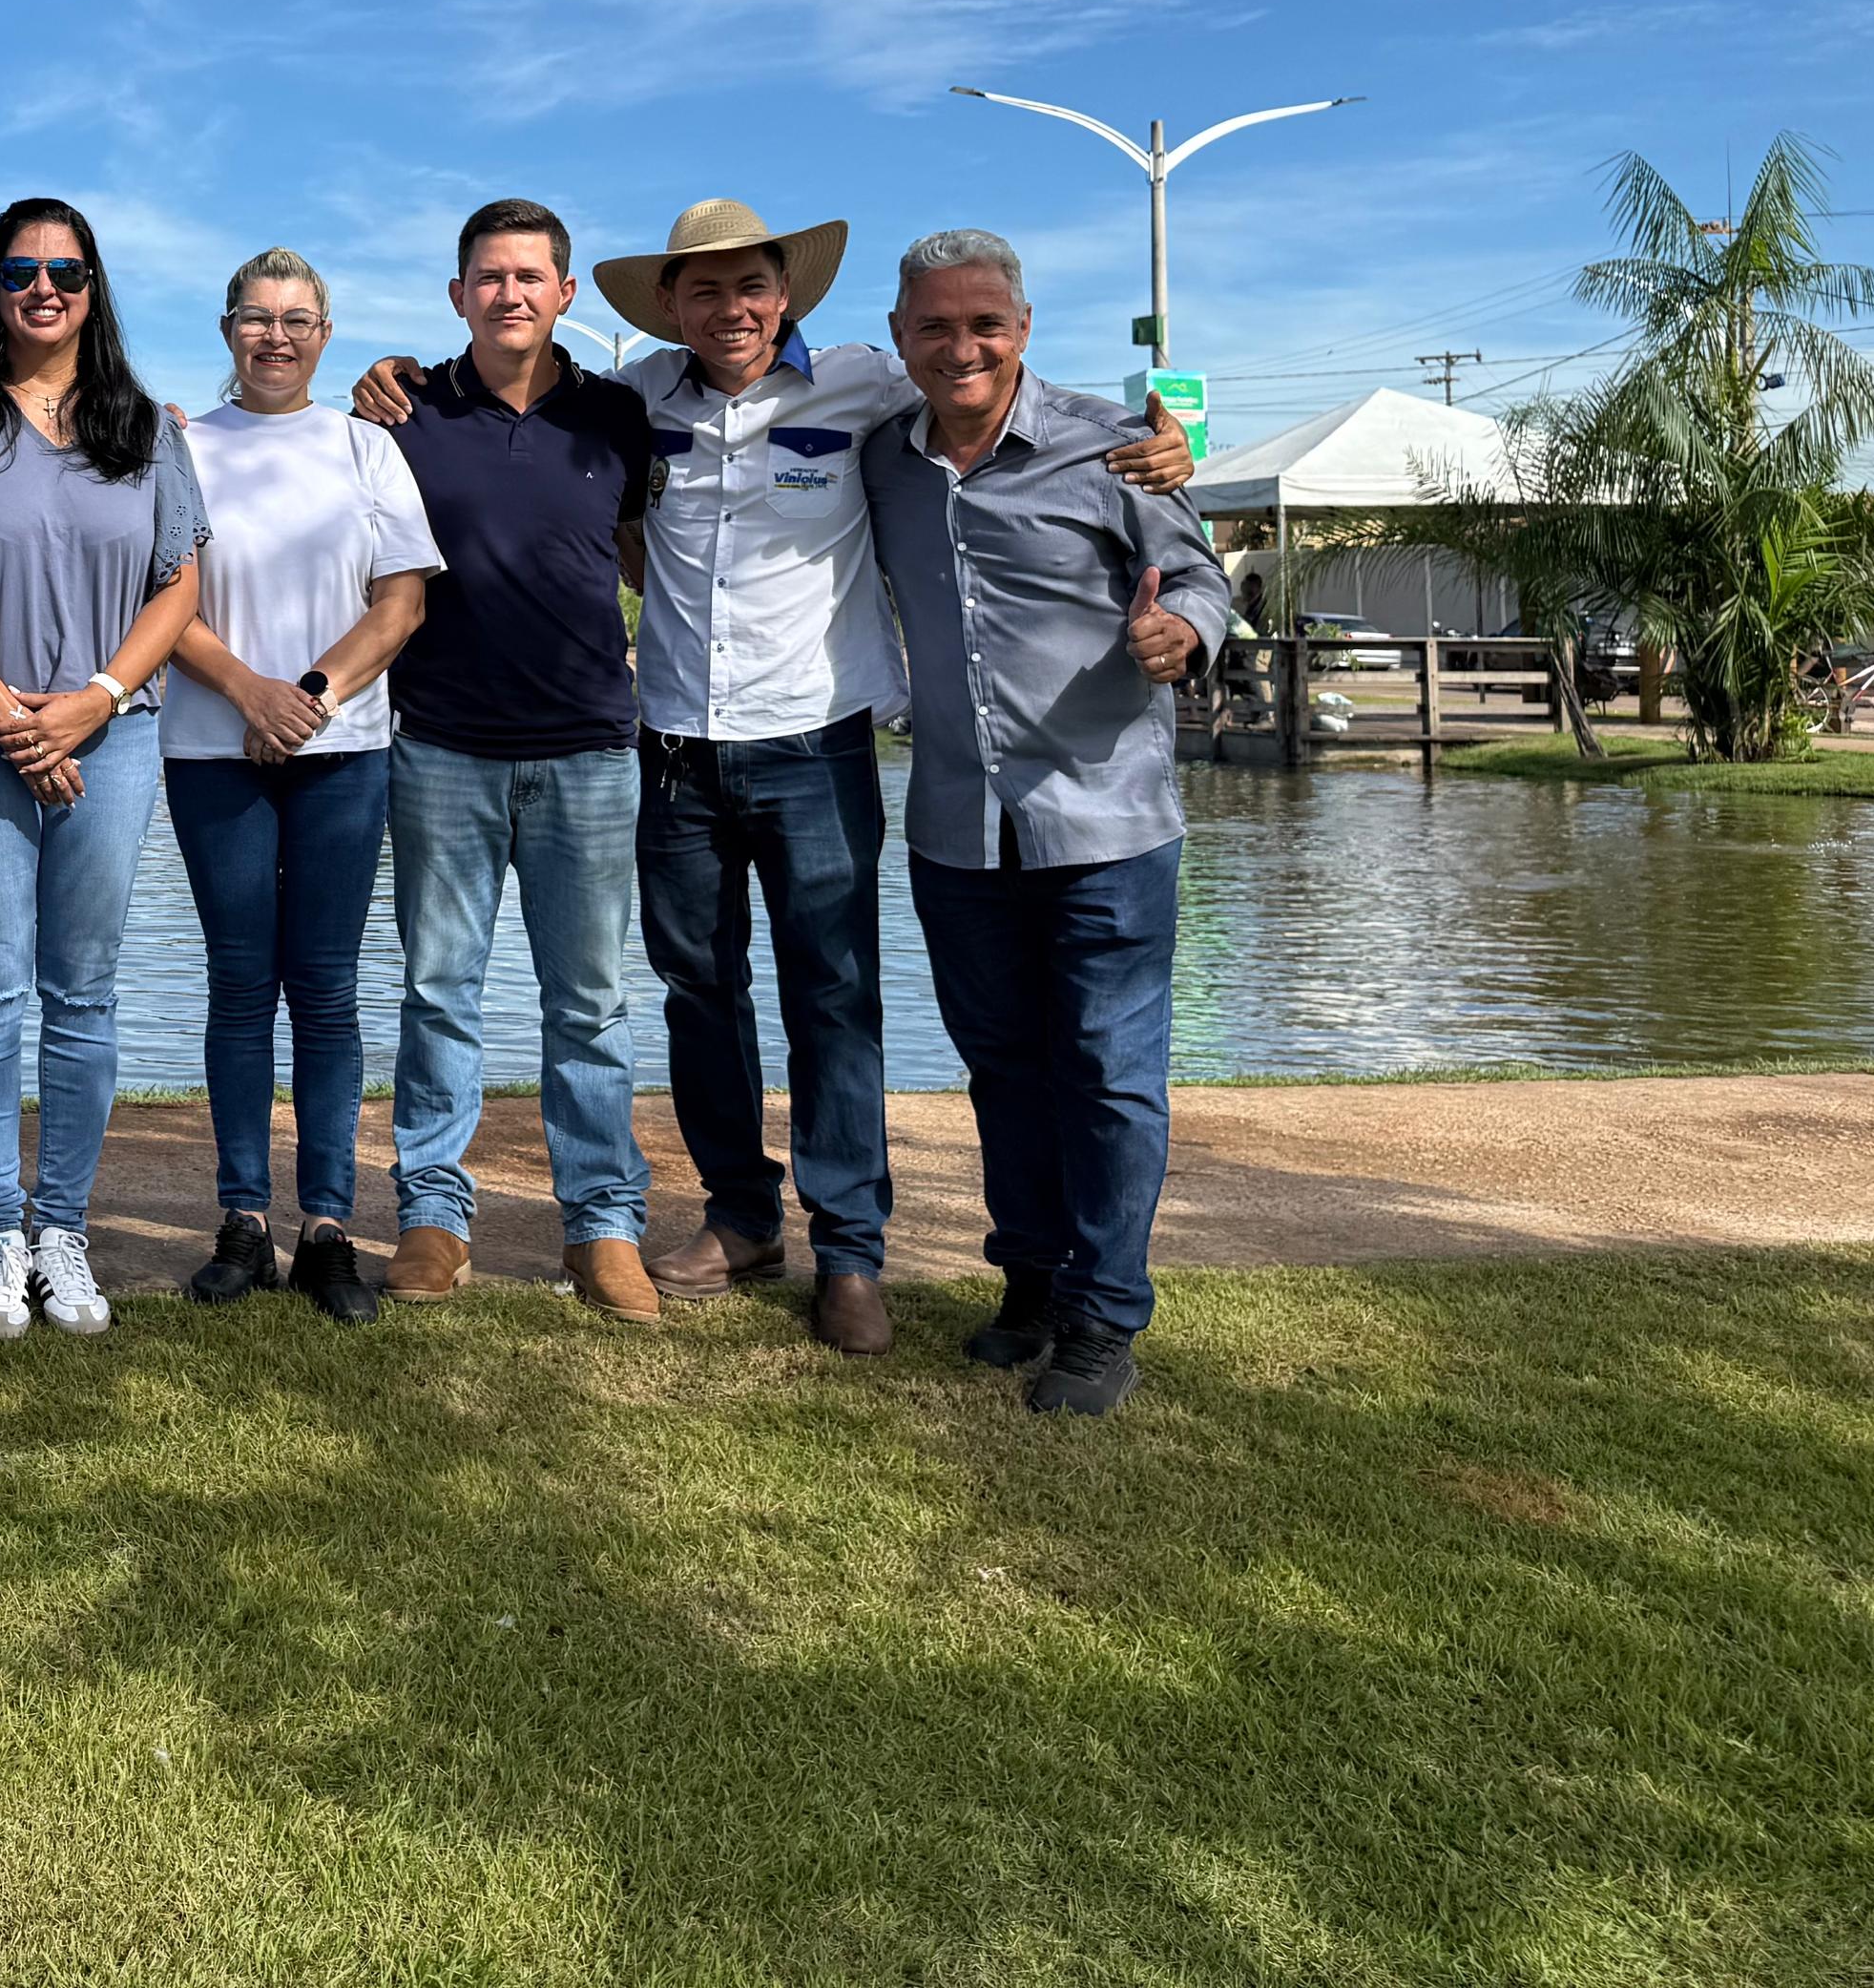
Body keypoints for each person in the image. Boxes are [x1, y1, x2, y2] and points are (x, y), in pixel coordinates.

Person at [583, 200, 1189, 1355]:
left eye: (750, 287)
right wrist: (400, 376)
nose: (730, 310)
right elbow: (527, 416)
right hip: (671, 747)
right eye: (702, 290)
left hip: (815, 744)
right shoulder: (630, 399)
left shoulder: (867, 383)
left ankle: (849, 1250)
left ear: (786, 296)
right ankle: (738, 1217)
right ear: (667, 305)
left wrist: (1157, 444)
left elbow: (996, 394)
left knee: (834, 998)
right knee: (697, 993)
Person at [861, 228, 1229, 1417]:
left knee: (1109, 1074)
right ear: (899, 336)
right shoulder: (880, 459)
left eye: (984, 324)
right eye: (933, 326)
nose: (959, 347)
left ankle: (1103, 1315)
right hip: (954, 828)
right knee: (1001, 1068)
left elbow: (1202, 578)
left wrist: (1183, 633)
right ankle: (1028, 1282)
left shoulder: (1113, 448)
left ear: (1021, 329)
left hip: (1105, 824)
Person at [360, 200, 657, 1314]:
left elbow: (640, 554)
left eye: (529, 276)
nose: (508, 294)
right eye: (488, 277)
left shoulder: (617, 416)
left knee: (589, 1003)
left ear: (563, 294)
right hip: (441, 747)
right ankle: (433, 1217)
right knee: (438, 994)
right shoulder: (405, 412)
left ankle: (602, 1226)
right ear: (457, 295)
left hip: (590, 749)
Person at [0, 199, 207, 1342]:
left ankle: (62, 1231)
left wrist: (94, 700)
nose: (43, 288)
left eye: (65, 272)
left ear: (93, 290)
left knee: (82, 992)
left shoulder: (144, 426)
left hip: (114, 736)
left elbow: (178, 585)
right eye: (20, 270)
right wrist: (6, 714)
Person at [167, 249, 438, 1328]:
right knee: (240, 985)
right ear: (226, 328)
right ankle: (243, 1220)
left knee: (325, 990)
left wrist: (309, 697)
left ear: (324, 335)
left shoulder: (367, 448)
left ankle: (327, 1226)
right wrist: (248, 692)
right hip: (211, 749)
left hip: (345, 750)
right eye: (255, 317)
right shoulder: (179, 448)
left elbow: (400, 603)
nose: (274, 336)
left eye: (296, 319)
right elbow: (162, 603)